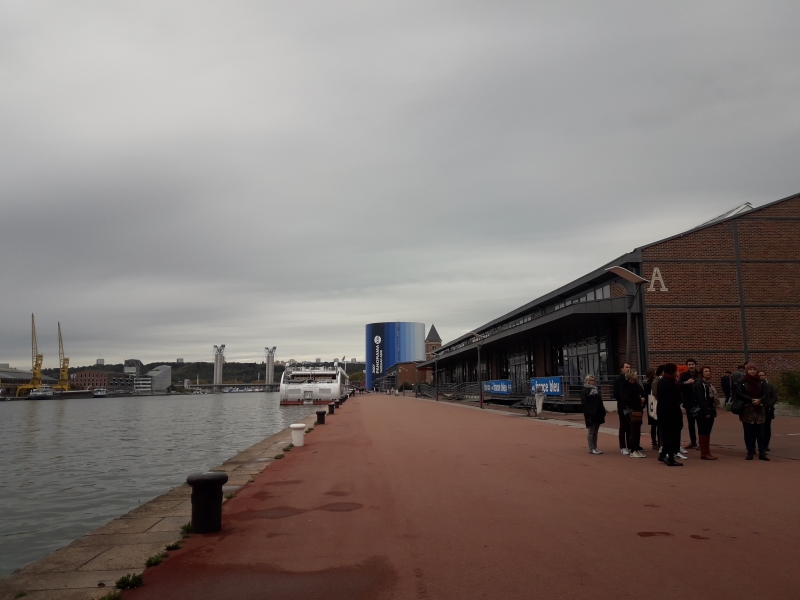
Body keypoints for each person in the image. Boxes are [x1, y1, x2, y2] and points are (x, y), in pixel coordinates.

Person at [734, 363, 768, 461]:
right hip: (747, 409)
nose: (752, 371)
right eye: (750, 369)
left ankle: (762, 452)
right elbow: (739, 394)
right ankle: (750, 451)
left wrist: (760, 400)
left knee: (760, 432)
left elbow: (766, 394)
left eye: (754, 369)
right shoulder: (741, 381)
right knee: (748, 432)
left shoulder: (761, 381)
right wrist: (752, 400)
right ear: (747, 371)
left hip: (759, 409)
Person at [657, 364, 683, 466]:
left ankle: (663, 454)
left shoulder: (668, 381)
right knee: (670, 435)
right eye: (675, 371)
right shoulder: (667, 382)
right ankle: (670, 458)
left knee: (670, 434)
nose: (677, 372)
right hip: (669, 412)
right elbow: (672, 398)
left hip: (668, 411)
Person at [693, 367, 719, 460]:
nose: (708, 373)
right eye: (706, 371)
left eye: (709, 371)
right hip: (704, 411)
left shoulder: (707, 383)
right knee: (704, 431)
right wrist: (706, 412)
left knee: (706, 431)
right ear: (702, 373)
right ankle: (705, 452)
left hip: (709, 409)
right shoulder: (700, 384)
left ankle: (705, 451)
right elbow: (702, 399)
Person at [622, 370, 646, 457]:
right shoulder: (625, 386)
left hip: (638, 409)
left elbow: (642, 393)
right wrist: (639, 400)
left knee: (637, 431)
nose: (637, 376)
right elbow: (627, 399)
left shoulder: (637, 385)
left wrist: (643, 398)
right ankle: (632, 450)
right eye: (635, 375)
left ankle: (637, 448)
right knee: (633, 430)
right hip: (630, 410)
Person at [581, 374, 606, 455]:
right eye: (591, 380)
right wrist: (589, 412)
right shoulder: (585, 390)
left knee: (596, 431)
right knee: (591, 431)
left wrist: (603, 410)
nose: (593, 382)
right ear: (587, 381)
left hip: (598, 413)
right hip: (590, 414)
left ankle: (595, 447)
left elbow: (599, 401)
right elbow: (584, 403)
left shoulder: (596, 389)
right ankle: (591, 448)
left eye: (594, 380)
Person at [679, 359, 699, 449]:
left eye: (692, 364)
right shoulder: (684, 375)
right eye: (689, 364)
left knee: (700, 423)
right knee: (691, 423)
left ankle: (702, 442)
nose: (691, 366)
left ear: (695, 365)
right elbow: (679, 384)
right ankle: (693, 441)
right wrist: (686, 383)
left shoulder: (699, 374)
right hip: (689, 402)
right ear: (687, 366)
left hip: (699, 402)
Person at [613, 363, 631, 455]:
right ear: (622, 369)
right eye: (626, 367)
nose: (628, 369)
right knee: (623, 426)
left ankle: (630, 445)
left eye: (629, 367)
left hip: (631, 407)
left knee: (630, 427)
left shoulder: (630, 379)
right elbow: (616, 394)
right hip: (622, 407)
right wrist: (624, 402)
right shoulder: (618, 380)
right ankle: (623, 446)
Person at [759, 370, 778, 452]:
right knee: (759, 428)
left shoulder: (770, 386)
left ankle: (766, 445)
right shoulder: (755, 386)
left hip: (768, 410)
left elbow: (775, 397)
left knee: (766, 428)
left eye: (763, 375)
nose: (761, 377)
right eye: (759, 375)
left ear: (765, 376)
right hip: (758, 410)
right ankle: (759, 445)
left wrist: (769, 405)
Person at [643, 367, 660, 450]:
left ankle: (658, 441)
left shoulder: (648, 382)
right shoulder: (649, 383)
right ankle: (654, 442)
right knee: (654, 424)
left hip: (652, 403)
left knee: (656, 424)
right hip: (652, 403)